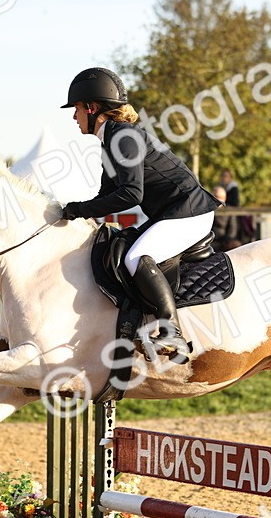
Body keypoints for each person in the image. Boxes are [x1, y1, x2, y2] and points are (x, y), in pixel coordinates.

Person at [53, 67, 220, 356]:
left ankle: (172, 333)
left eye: (77, 109)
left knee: (135, 257)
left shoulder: (123, 136)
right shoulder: (110, 140)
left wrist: (79, 210)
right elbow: (106, 195)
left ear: (92, 108)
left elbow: (131, 194)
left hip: (189, 212)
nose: (74, 117)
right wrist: (74, 214)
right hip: (173, 213)